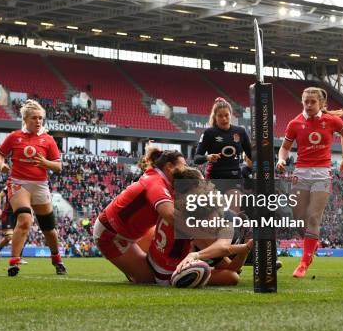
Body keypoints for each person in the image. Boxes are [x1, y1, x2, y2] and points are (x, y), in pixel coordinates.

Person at [276, 87, 343, 278]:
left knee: (313, 217)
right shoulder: (294, 123)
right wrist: (281, 159)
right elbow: (284, 148)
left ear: (321, 104)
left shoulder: (332, 120)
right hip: (301, 173)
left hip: (322, 174)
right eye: (305, 101)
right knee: (299, 220)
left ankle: (304, 262)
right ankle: (312, 242)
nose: (308, 105)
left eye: (312, 102)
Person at [93, 146, 186, 283]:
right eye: (184, 165)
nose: (186, 169)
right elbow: (170, 215)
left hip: (132, 232)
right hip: (112, 235)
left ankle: (138, 266)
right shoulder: (156, 182)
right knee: (149, 279)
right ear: (169, 167)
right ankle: (134, 271)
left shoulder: (159, 178)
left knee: (160, 263)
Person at [0, 99, 65, 277]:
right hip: (19, 183)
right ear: (25, 119)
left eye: (40, 118)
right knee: (24, 219)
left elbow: (58, 167)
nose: (38, 121)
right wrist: (1, 165)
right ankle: (14, 261)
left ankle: (57, 259)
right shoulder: (14, 136)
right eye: (34, 118)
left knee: (49, 229)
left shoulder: (48, 140)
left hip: (40, 185)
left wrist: (44, 162)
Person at [148, 167, 252, 286]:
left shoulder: (179, 205)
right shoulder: (193, 219)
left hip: (154, 263)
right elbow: (225, 251)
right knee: (231, 276)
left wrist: (245, 249)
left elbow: (228, 260)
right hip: (167, 268)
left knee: (231, 273)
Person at [194, 97, 252, 213]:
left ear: (231, 115)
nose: (224, 118)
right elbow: (197, 158)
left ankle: (237, 229)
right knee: (216, 214)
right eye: (220, 116)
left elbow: (252, 155)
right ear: (215, 117)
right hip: (214, 179)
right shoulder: (209, 133)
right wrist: (207, 157)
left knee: (233, 211)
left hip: (234, 178)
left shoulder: (240, 132)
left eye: (226, 115)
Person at [0, 185, 28, 265]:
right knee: (9, 237)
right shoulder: (10, 185)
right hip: (8, 214)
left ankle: (19, 258)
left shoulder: (26, 185)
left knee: (21, 235)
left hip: (19, 213)